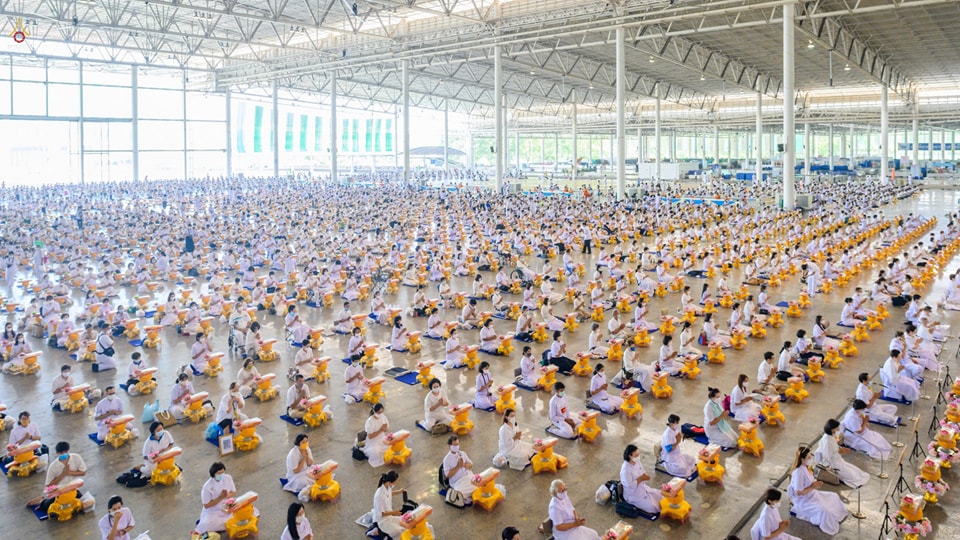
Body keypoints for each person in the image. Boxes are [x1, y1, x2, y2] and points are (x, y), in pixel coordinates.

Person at [787, 445, 847, 536]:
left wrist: (816, 484)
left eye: (810, 456)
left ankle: (837, 516)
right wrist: (813, 487)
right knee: (825, 511)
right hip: (804, 501)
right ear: (802, 459)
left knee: (833, 496)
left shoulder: (807, 467)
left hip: (813, 494)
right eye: (809, 457)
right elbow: (798, 492)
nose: (811, 458)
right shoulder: (798, 472)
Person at [814, 419, 870, 489]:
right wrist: (839, 452)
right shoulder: (827, 441)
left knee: (858, 472)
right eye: (837, 427)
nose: (838, 429)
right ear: (832, 429)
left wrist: (840, 449)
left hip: (838, 461)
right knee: (853, 477)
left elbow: (834, 448)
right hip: (833, 464)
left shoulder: (830, 437)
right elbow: (828, 456)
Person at [195, 462, 241, 535]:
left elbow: (233, 493)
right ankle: (203, 521)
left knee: (244, 512)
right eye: (219, 473)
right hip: (214, 510)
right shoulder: (207, 487)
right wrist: (221, 497)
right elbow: (206, 505)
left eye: (223, 472)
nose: (222, 475)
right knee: (206, 524)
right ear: (213, 475)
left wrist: (227, 495)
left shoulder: (228, 478)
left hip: (228, 504)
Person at [620, 444, 662, 514]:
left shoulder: (637, 462)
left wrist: (645, 477)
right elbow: (630, 485)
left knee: (661, 496)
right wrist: (641, 479)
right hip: (633, 495)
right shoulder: (625, 470)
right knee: (653, 507)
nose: (638, 457)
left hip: (642, 488)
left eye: (638, 455)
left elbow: (643, 471)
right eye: (636, 456)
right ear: (630, 456)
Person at [660, 414, 696, 478]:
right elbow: (668, 449)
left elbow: (679, 436)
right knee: (683, 469)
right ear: (671, 423)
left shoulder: (675, 430)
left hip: (678, 454)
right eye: (677, 423)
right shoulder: (667, 434)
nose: (678, 424)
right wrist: (677, 442)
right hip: (670, 457)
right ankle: (666, 465)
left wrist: (679, 439)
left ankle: (686, 467)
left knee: (692, 459)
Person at [284, 434, 314, 499]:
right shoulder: (293, 454)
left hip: (306, 470)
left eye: (306, 441)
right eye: (303, 442)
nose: (305, 444)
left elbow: (310, 464)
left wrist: (307, 456)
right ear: (298, 443)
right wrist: (303, 458)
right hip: (296, 475)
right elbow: (296, 471)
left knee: (317, 473)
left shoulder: (307, 448)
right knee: (303, 482)